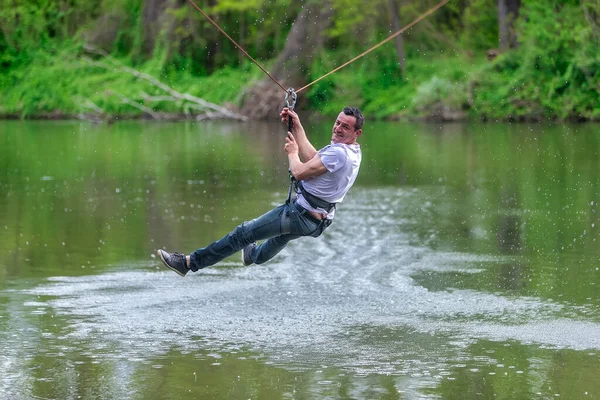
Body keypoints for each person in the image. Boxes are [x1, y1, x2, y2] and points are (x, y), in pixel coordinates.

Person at [157, 106, 364, 276]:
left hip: (300, 215)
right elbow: (314, 158)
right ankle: (252, 256)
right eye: (337, 123)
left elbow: (300, 171)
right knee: (279, 238)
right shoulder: (352, 151)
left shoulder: (339, 153)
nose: (338, 128)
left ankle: (188, 263)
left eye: (345, 127)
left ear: (357, 133)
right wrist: (297, 125)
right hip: (317, 223)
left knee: (243, 234)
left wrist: (292, 153)